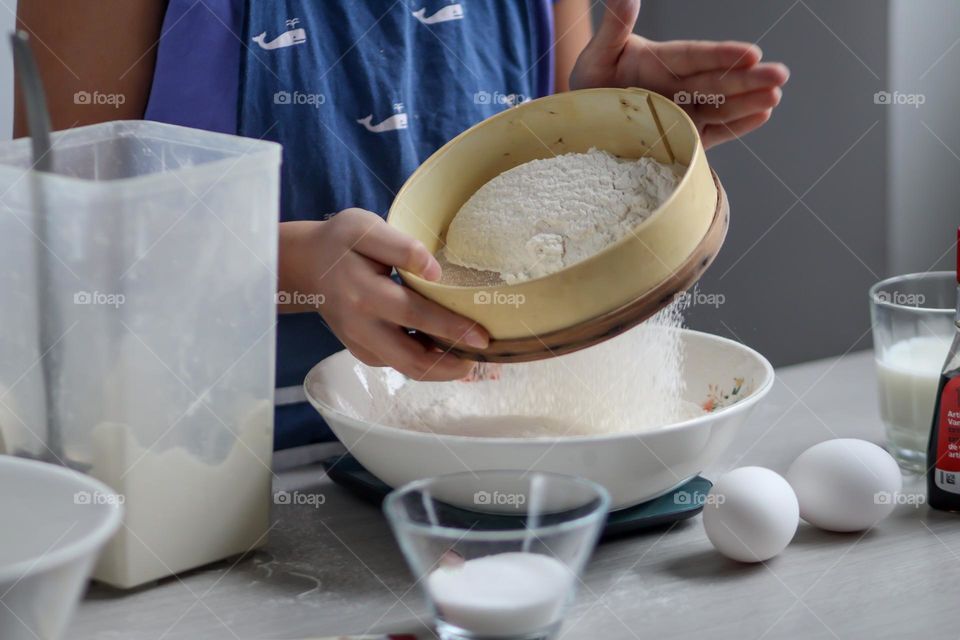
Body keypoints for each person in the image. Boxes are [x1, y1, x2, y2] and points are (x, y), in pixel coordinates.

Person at [16, 0, 789, 448]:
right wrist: (287, 266)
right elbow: (45, 240)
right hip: (209, 487)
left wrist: (602, 122)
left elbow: (541, 212)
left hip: (481, 461)